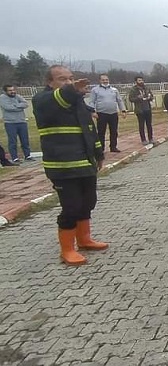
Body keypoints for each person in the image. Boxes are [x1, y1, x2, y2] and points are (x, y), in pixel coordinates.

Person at [32, 65, 108, 266]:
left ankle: (84, 239)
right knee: (71, 207)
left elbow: (90, 130)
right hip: (62, 166)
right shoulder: (43, 101)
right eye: (62, 79)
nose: (68, 82)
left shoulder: (77, 102)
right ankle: (67, 249)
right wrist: (71, 89)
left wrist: (98, 153)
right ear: (50, 82)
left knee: (88, 202)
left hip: (85, 163)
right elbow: (60, 99)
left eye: (70, 78)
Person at [88, 75, 127, 152]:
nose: (105, 81)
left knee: (114, 131)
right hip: (101, 113)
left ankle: (113, 147)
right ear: (100, 81)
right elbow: (91, 101)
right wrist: (92, 111)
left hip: (113, 113)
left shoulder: (114, 90)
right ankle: (101, 149)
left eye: (106, 79)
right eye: (103, 80)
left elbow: (119, 100)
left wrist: (123, 110)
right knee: (101, 132)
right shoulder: (95, 90)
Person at [1, 85, 33, 162]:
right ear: (5, 91)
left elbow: (25, 104)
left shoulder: (18, 96)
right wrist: (19, 106)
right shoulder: (2, 98)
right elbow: (8, 107)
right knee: (13, 141)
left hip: (22, 121)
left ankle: (27, 155)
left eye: (13, 90)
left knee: (25, 140)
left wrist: (16, 106)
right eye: (10, 90)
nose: (12, 92)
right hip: (10, 123)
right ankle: (15, 158)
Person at [128, 76, 154, 144]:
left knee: (149, 125)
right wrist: (138, 98)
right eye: (139, 80)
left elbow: (151, 96)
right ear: (136, 82)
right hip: (140, 110)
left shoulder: (146, 87)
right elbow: (131, 99)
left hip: (147, 108)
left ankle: (151, 138)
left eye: (142, 80)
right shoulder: (133, 89)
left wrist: (150, 97)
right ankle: (143, 140)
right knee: (141, 125)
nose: (141, 81)